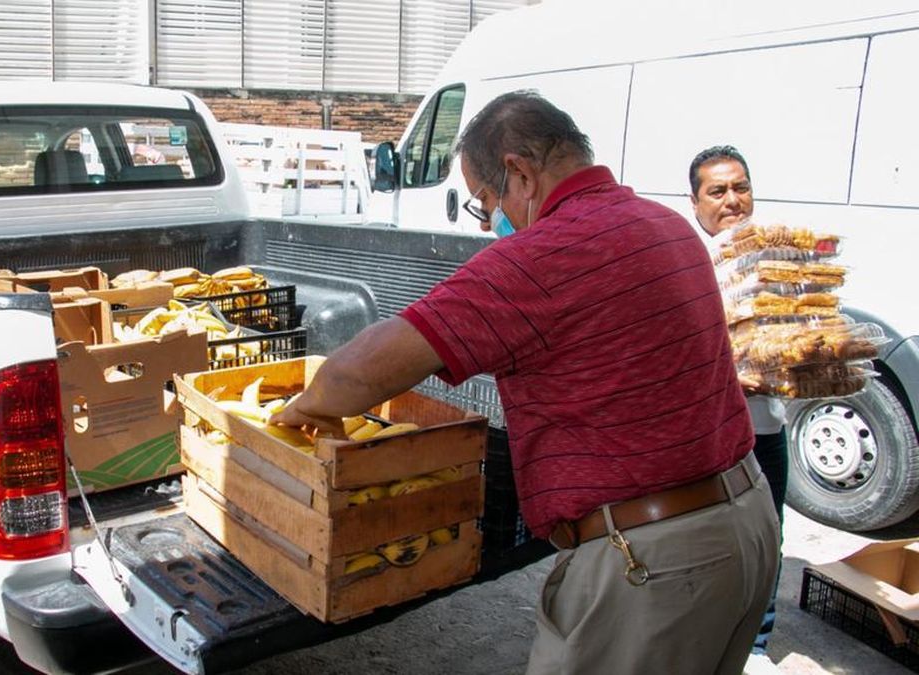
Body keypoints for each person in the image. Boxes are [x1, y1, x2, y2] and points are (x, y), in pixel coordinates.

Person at [270, 91, 779, 674]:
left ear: (519, 173)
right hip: (747, 524)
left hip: (655, 564)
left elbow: (360, 370)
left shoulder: (539, 260)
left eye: (486, 201)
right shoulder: (666, 224)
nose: (490, 221)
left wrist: (304, 407)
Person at [690, 145, 789, 674]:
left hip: (767, 428)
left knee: (769, 537)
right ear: (696, 203)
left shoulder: (776, 258)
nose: (733, 200)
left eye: (741, 187)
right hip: (710, 436)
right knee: (707, 542)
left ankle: (755, 646)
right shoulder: (689, 264)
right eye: (718, 191)